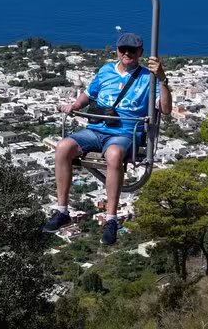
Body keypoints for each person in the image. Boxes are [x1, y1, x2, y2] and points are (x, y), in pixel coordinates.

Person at [42, 33, 173, 244]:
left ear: (140, 52)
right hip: (96, 129)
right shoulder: (105, 71)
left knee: (113, 155)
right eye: (123, 49)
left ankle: (111, 218)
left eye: (132, 50)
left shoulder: (148, 77)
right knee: (63, 147)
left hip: (124, 132)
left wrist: (162, 79)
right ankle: (62, 210)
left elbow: (165, 109)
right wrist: (75, 105)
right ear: (118, 51)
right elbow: (89, 94)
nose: (127, 53)